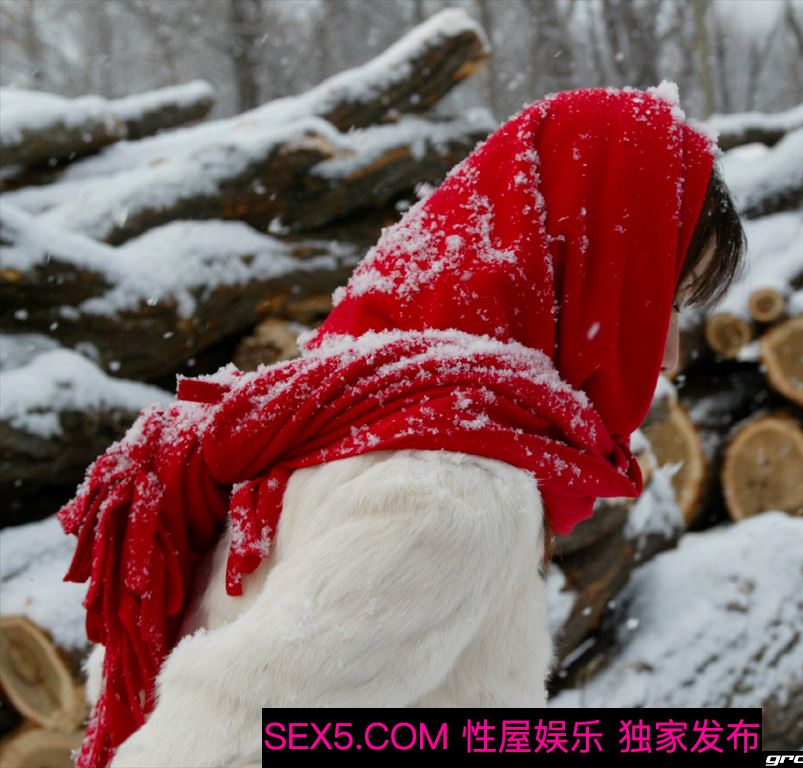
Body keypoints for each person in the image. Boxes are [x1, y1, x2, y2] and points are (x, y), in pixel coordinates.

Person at [60, 83, 746, 768]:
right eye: (663, 304)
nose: (669, 356)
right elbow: (220, 744)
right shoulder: (453, 492)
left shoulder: (364, 410)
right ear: (591, 274)